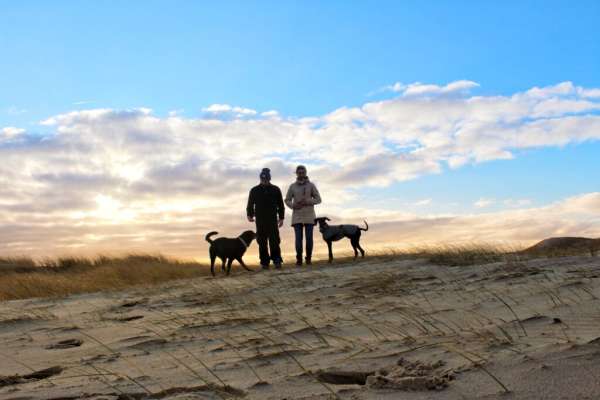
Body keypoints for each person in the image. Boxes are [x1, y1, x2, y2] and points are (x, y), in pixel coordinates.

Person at [246, 168, 285, 269]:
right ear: (260, 178)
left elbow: (281, 204)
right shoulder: (254, 190)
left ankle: (277, 260)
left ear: (269, 179)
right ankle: (264, 262)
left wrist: (281, 218)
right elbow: (250, 203)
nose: (264, 181)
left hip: (272, 219)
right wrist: (249, 214)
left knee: (275, 240)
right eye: (263, 179)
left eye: (266, 179)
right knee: (262, 241)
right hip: (260, 219)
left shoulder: (276, 189)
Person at [285, 165, 322, 266]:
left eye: (303, 172)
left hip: (309, 216)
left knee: (309, 239)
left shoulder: (311, 185)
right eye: (299, 172)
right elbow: (287, 200)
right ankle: (299, 260)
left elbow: (319, 199)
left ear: (305, 173)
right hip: (297, 216)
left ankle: (308, 259)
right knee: (298, 239)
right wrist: (293, 205)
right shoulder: (292, 186)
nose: (301, 174)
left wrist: (308, 201)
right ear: (296, 173)